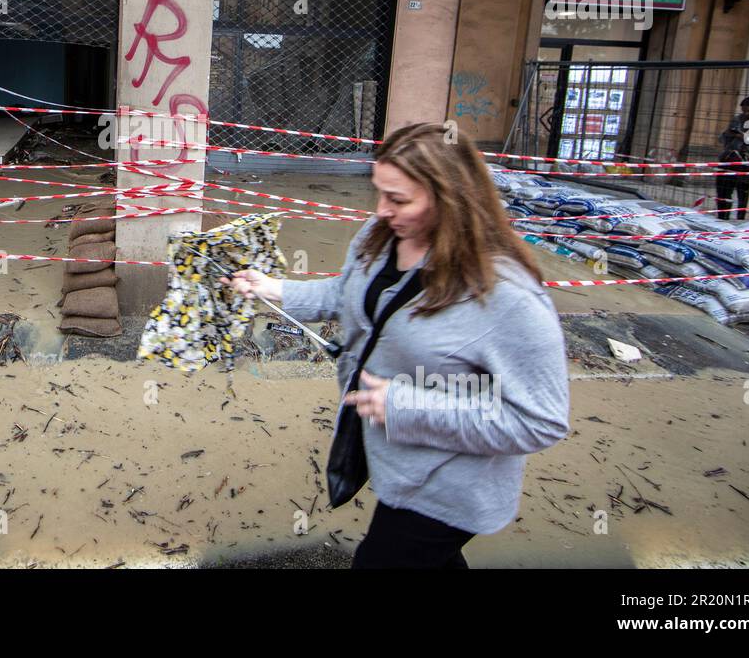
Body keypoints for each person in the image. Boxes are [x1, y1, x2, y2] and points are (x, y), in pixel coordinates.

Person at [221, 122, 571, 568]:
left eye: (399, 199)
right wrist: (273, 289)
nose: (382, 209)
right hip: (397, 462)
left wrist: (406, 407)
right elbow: (347, 294)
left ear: (451, 200)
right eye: (379, 193)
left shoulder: (508, 296)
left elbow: (541, 421)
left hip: (450, 486)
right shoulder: (382, 234)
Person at [715, 96, 749, 221]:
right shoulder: (737, 120)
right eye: (744, 111)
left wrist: (742, 136)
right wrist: (729, 134)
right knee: (723, 193)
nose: (746, 114)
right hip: (728, 161)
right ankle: (722, 218)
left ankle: (741, 221)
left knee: (744, 197)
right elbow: (722, 138)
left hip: (748, 164)